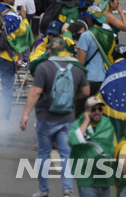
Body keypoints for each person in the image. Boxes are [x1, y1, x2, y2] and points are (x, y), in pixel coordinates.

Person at [20, 36, 90, 197]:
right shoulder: (76, 68)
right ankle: (67, 190)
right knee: (66, 154)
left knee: (44, 154)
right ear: (64, 50)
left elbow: (36, 92)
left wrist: (25, 114)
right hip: (67, 118)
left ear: (50, 51)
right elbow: (85, 92)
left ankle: (44, 190)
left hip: (46, 118)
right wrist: (72, 97)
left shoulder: (44, 67)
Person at [66, 96, 116, 197]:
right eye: (93, 109)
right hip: (87, 180)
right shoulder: (79, 124)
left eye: (100, 109)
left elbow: (111, 149)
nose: (97, 111)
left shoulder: (107, 124)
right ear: (86, 111)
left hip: (104, 180)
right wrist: (85, 122)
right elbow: (73, 141)